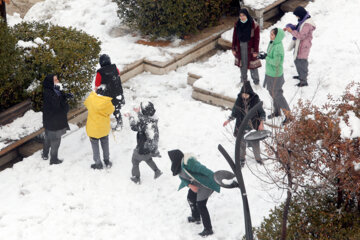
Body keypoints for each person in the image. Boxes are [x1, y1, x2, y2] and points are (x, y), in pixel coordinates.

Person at [168, 149, 220, 237]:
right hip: (195, 184)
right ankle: (196, 217)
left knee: (201, 205)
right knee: (191, 198)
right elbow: (182, 177)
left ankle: (208, 229)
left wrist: (216, 178)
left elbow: (204, 170)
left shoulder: (189, 163)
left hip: (206, 183)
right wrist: (190, 185)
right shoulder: (177, 166)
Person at [223, 81, 265, 166]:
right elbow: (234, 112)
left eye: (246, 95)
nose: (244, 96)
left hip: (252, 126)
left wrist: (261, 123)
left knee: (255, 143)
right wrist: (228, 120)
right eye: (243, 94)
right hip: (241, 126)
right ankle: (242, 159)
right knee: (241, 144)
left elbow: (262, 113)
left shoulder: (255, 101)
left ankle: (258, 158)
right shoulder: (239, 101)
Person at [126, 101, 162, 184]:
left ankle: (136, 177)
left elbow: (134, 127)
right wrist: (138, 112)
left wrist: (130, 117)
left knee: (135, 161)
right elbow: (145, 119)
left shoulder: (144, 124)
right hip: (149, 148)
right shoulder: (153, 120)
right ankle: (157, 171)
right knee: (148, 159)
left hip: (141, 148)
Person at [260, 28, 290, 122]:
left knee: (278, 95)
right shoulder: (273, 43)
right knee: (272, 93)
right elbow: (270, 56)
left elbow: (276, 62)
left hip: (276, 75)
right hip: (270, 73)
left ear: (277, 36)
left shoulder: (278, 47)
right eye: (270, 34)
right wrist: (265, 55)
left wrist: (266, 58)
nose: (270, 36)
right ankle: (277, 111)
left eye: (272, 35)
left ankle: (288, 115)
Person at [42, 74, 70, 165]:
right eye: (55, 80)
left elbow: (58, 98)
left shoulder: (52, 90)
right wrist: (62, 97)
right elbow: (56, 104)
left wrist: (65, 96)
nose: (58, 81)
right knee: (55, 139)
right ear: (50, 82)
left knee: (48, 137)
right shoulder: (49, 93)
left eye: (57, 79)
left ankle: (45, 154)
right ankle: (53, 159)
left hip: (51, 119)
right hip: (54, 120)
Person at [284, 6, 316, 87]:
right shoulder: (303, 21)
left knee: (302, 62)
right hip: (299, 45)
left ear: (300, 14)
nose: (296, 17)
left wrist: (292, 31)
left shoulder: (307, 24)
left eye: (297, 15)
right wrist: (291, 27)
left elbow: (301, 36)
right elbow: (299, 28)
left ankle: (303, 81)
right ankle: (301, 76)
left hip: (303, 47)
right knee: (297, 61)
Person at [84, 90, 115, 169]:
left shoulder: (91, 99)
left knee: (95, 146)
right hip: (103, 128)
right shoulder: (107, 102)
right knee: (105, 144)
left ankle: (98, 163)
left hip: (93, 128)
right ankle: (107, 160)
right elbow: (111, 110)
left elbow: (86, 103)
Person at [95, 54, 125, 130]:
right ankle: (119, 123)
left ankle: (104, 123)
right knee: (116, 109)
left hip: (108, 95)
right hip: (118, 93)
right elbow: (118, 75)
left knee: (104, 109)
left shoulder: (100, 72)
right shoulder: (115, 68)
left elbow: (97, 84)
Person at [232, 8, 261, 86]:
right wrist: (233, 48)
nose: (242, 17)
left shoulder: (254, 25)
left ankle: (256, 82)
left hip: (250, 48)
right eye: (240, 16)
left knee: (253, 65)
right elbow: (234, 36)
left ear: (247, 15)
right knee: (242, 64)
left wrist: (255, 50)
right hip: (240, 47)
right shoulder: (237, 24)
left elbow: (256, 39)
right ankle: (243, 80)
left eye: (243, 15)